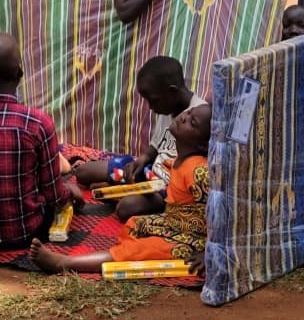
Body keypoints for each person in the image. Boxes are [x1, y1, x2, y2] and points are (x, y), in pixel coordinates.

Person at [30, 103, 211, 275]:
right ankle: (128, 252)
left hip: (191, 239)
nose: (184, 117)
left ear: (202, 145)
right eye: (189, 112)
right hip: (173, 223)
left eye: (192, 122)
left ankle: (64, 263)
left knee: (136, 250)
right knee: (134, 224)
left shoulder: (199, 171)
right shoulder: (181, 158)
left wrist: (209, 252)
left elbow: (221, 216)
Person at [0, 33, 82, 248]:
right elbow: (52, 194)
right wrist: (70, 194)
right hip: (27, 233)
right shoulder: (38, 123)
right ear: (19, 70)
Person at [72, 56, 207, 221]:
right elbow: (156, 146)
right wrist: (142, 159)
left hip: (166, 188)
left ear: (172, 91)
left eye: (153, 101)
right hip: (149, 171)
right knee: (82, 172)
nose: (151, 107)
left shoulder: (199, 118)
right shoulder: (169, 107)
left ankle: (121, 189)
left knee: (125, 208)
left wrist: (154, 188)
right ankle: (123, 187)